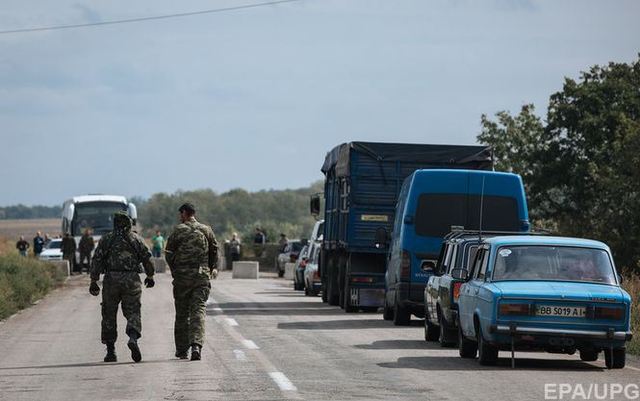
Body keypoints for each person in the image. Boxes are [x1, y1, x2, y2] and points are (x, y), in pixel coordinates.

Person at [89, 211, 155, 363]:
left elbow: (97, 260)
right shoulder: (136, 239)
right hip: (131, 280)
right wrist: (150, 276)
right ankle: (133, 338)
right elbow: (147, 257)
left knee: (108, 314)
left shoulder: (107, 239)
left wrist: (94, 280)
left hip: (111, 279)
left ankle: (111, 351)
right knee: (133, 312)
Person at [165, 202, 218, 361]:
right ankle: (196, 345)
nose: (180, 217)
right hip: (201, 276)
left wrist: (175, 270)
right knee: (198, 311)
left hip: (182, 277)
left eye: (181, 214)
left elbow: (169, 253)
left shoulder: (178, 230)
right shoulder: (206, 230)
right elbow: (214, 252)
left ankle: (182, 350)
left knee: (182, 313)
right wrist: (209, 269)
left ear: (185, 213)